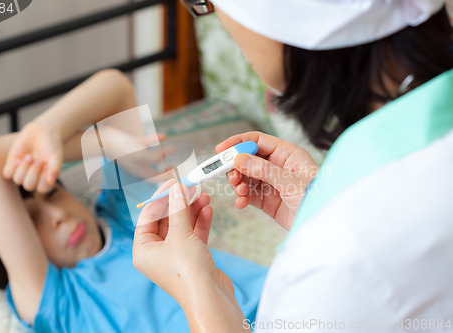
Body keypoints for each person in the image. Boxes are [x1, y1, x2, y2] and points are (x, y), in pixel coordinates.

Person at [132, 1, 453, 332]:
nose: (220, 23)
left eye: (206, 2)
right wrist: (319, 203)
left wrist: (197, 290)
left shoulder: (332, 264)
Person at [0, 69, 267, 332]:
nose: (56, 215)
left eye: (52, 192)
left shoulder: (129, 215)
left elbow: (115, 88)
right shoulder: (58, 299)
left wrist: (50, 133)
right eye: (29, 221)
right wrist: (99, 142)